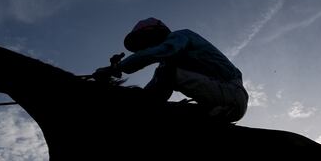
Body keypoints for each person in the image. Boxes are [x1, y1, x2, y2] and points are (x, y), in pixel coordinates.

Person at [95, 18, 249, 124]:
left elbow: (160, 53)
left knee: (165, 74)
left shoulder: (180, 36)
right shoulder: (168, 62)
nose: (143, 48)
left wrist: (114, 69)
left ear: (154, 32)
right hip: (223, 97)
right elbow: (150, 90)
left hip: (232, 94)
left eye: (143, 41)